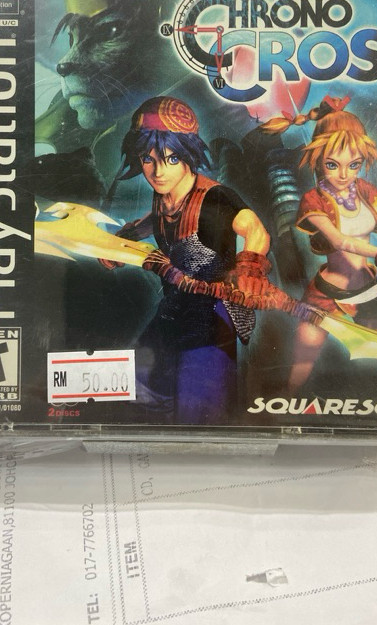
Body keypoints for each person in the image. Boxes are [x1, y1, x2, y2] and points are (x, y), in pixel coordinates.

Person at [102, 96, 271, 424]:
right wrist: (124, 240)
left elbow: (256, 231)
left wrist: (249, 269)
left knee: (199, 411)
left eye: (171, 158)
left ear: (188, 155)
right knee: (138, 388)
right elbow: (157, 218)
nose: (158, 171)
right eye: (148, 159)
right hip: (172, 311)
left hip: (210, 320)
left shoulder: (215, 198)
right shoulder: (164, 195)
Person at [264, 95, 377, 398]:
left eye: (353, 165)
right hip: (327, 292)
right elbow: (340, 240)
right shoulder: (314, 200)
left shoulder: (364, 190)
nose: (344, 175)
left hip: (366, 289)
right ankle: (282, 408)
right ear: (319, 158)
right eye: (333, 165)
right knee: (303, 361)